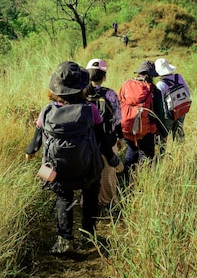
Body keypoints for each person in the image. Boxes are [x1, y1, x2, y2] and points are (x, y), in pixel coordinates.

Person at [25, 61, 121, 255]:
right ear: (81, 88)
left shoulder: (47, 111)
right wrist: (113, 160)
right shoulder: (90, 110)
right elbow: (102, 139)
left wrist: (31, 152)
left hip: (57, 168)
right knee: (90, 196)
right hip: (88, 168)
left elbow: (35, 141)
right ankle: (88, 236)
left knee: (64, 198)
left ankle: (64, 240)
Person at [118, 61, 167, 185]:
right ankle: (146, 183)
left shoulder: (126, 85)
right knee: (147, 156)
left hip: (127, 128)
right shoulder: (154, 90)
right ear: (151, 75)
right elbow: (159, 114)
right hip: (146, 130)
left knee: (131, 151)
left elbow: (118, 106)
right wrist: (163, 132)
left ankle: (125, 181)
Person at [84, 58, 124, 211]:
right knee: (108, 174)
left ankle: (88, 202)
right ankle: (108, 202)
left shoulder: (81, 94)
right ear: (104, 76)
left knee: (89, 174)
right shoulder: (110, 94)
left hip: (87, 141)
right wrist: (119, 137)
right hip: (107, 140)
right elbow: (117, 119)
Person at [155, 58, 191, 142]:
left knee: (163, 135)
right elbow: (188, 93)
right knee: (179, 131)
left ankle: (162, 153)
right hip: (182, 108)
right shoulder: (178, 77)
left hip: (169, 114)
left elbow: (161, 104)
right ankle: (180, 151)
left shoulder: (160, 85)